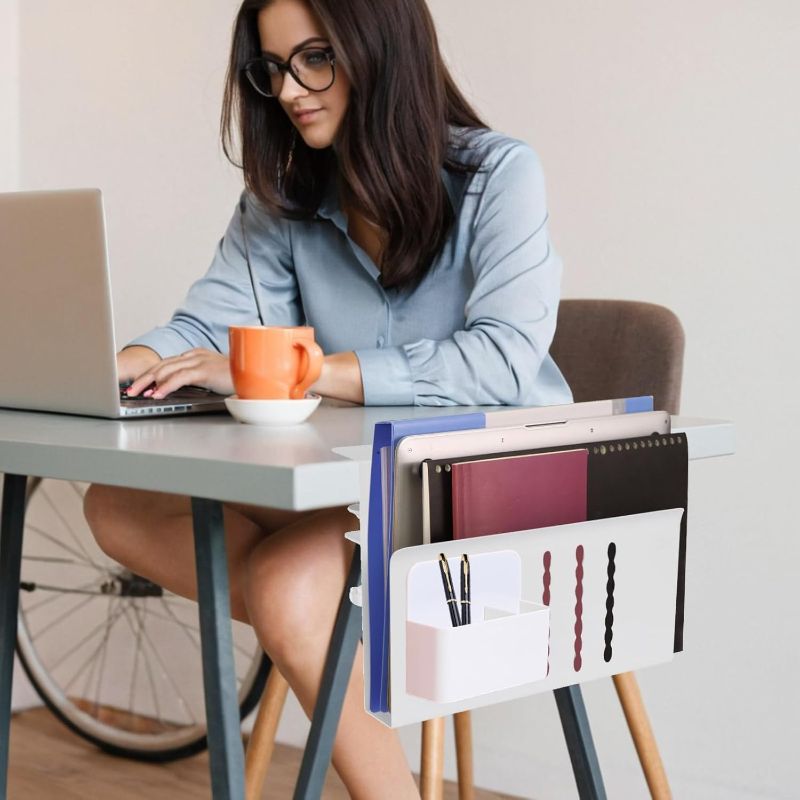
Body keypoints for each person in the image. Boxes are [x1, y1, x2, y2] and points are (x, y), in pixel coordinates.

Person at [84, 0, 571, 796]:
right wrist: (124, 362)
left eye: (315, 58)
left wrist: (323, 370)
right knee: (115, 504)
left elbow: (503, 360)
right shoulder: (286, 201)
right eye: (273, 68)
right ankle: (311, 630)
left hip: (494, 497)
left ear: (380, 48)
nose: (291, 90)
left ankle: (314, 637)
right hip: (363, 492)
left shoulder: (500, 176)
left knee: (288, 586)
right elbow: (209, 322)